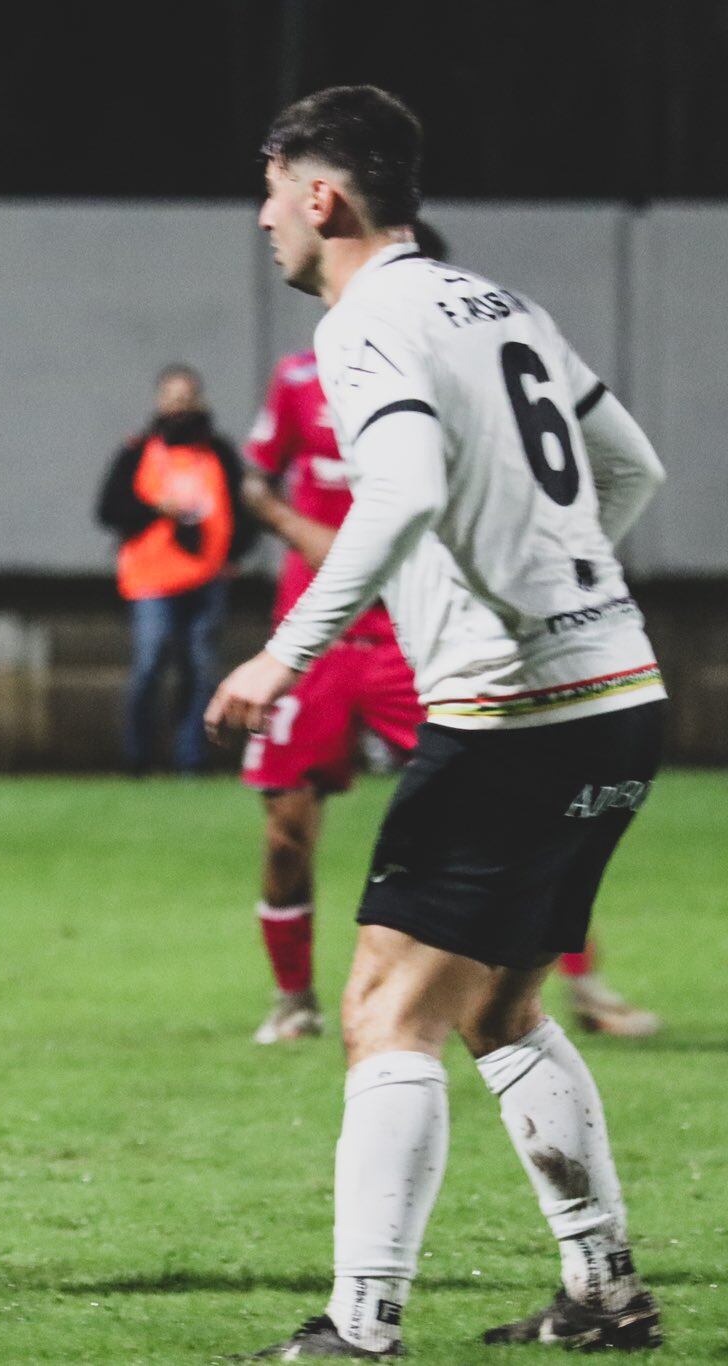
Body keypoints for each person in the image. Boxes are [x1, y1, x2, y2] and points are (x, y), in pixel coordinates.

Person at [209, 87, 668, 1356]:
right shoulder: (501, 303)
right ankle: (601, 1293)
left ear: (322, 197)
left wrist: (283, 653)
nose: (260, 220)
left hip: (514, 715)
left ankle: (359, 1327)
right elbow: (630, 468)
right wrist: (554, 593)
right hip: (617, 694)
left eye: (268, 191)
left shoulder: (366, 325)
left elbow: (402, 487)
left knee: (382, 1011)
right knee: (500, 1008)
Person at [237, 222, 662, 1046]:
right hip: (323, 635)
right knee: (288, 830)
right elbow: (256, 480)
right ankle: (294, 999)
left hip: (418, 641)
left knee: (522, 826)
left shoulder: (437, 361)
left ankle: (575, 985)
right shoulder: (308, 371)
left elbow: (406, 497)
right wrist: (298, 531)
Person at [97, 366, 256, 774]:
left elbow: (245, 508)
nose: (179, 406)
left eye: (186, 397)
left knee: (200, 670)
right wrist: (156, 510)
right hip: (151, 579)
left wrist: (235, 554)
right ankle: (138, 759)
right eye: (171, 396)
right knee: (149, 665)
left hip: (207, 578)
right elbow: (109, 510)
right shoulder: (137, 451)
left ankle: (192, 760)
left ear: (198, 401)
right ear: (159, 401)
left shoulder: (217, 451)